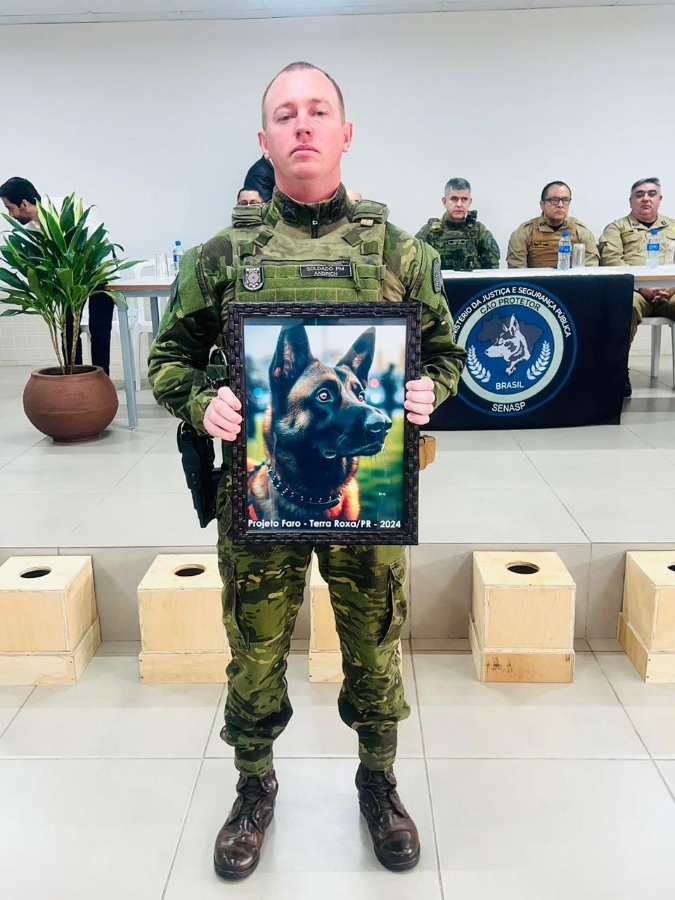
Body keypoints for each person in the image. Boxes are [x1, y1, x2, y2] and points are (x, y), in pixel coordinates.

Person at [148, 61, 465, 881]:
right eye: (285, 114)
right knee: (254, 650)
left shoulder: (402, 252)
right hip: (259, 501)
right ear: (264, 139)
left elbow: (446, 353)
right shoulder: (222, 256)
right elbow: (167, 359)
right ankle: (253, 787)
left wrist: (430, 389)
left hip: (365, 507)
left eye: (317, 110)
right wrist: (202, 404)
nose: (301, 125)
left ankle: (378, 783)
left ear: (344, 132)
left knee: (375, 645)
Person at [0, 175, 115, 375]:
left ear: (24, 204)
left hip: (98, 269)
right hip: (67, 279)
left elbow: (97, 245)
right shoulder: (32, 227)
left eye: (10, 208)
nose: (10, 215)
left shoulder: (66, 211)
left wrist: (110, 284)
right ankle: (73, 377)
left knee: (99, 328)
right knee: (68, 327)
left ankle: (101, 379)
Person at [599, 177, 675, 397]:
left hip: (670, 291)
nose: (646, 199)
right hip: (634, 291)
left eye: (651, 194)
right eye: (639, 195)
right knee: (623, 306)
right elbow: (611, 261)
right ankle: (618, 373)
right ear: (630, 201)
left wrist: (670, 288)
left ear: (660, 199)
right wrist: (643, 288)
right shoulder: (616, 228)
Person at [506, 180, 599, 269]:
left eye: (565, 200)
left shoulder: (581, 232)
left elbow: (591, 271)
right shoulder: (524, 233)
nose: (560, 205)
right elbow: (517, 272)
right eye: (554, 200)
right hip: (536, 280)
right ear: (542, 204)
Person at [416, 177, 500, 270]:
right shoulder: (429, 232)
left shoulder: (479, 231)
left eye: (464, 199)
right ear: (444, 202)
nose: (459, 204)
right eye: (454, 199)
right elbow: (416, 265)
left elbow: (492, 267)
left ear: (469, 202)